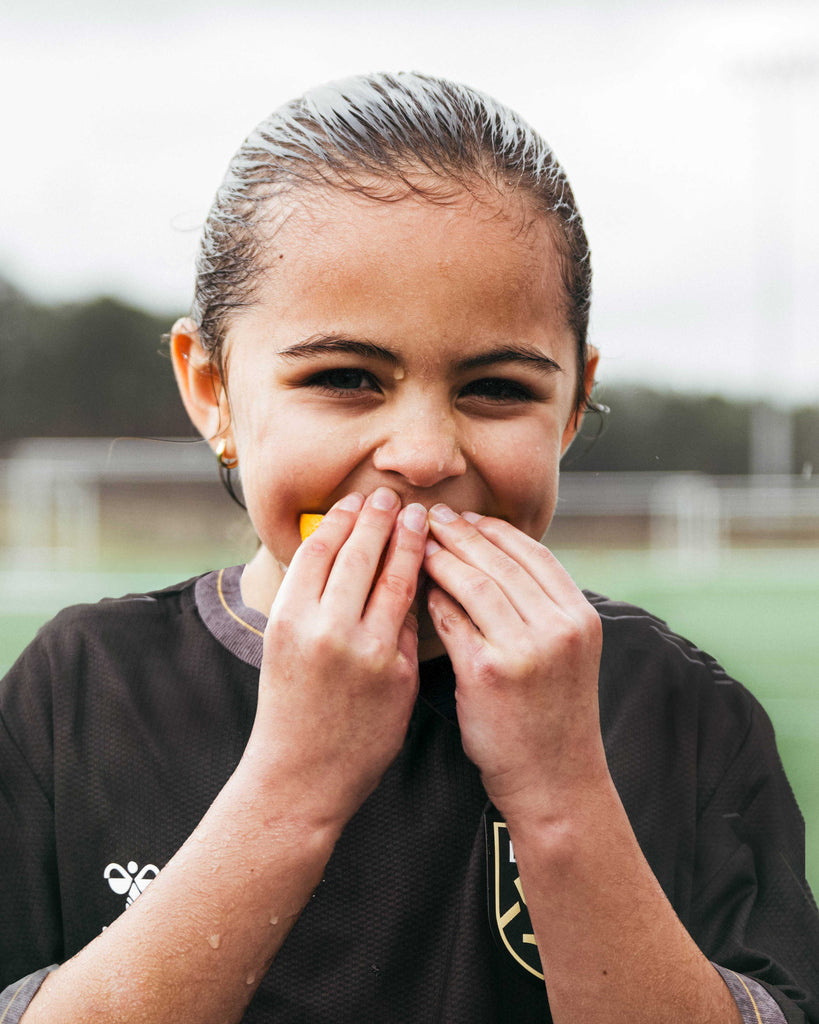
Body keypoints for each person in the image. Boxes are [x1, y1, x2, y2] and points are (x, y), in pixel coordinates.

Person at [1, 71, 817, 1024]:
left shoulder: (681, 713)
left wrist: (559, 794)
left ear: (571, 405)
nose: (424, 457)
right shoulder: (78, 695)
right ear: (212, 390)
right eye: (344, 377)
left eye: (498, 388)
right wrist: (294, 786)